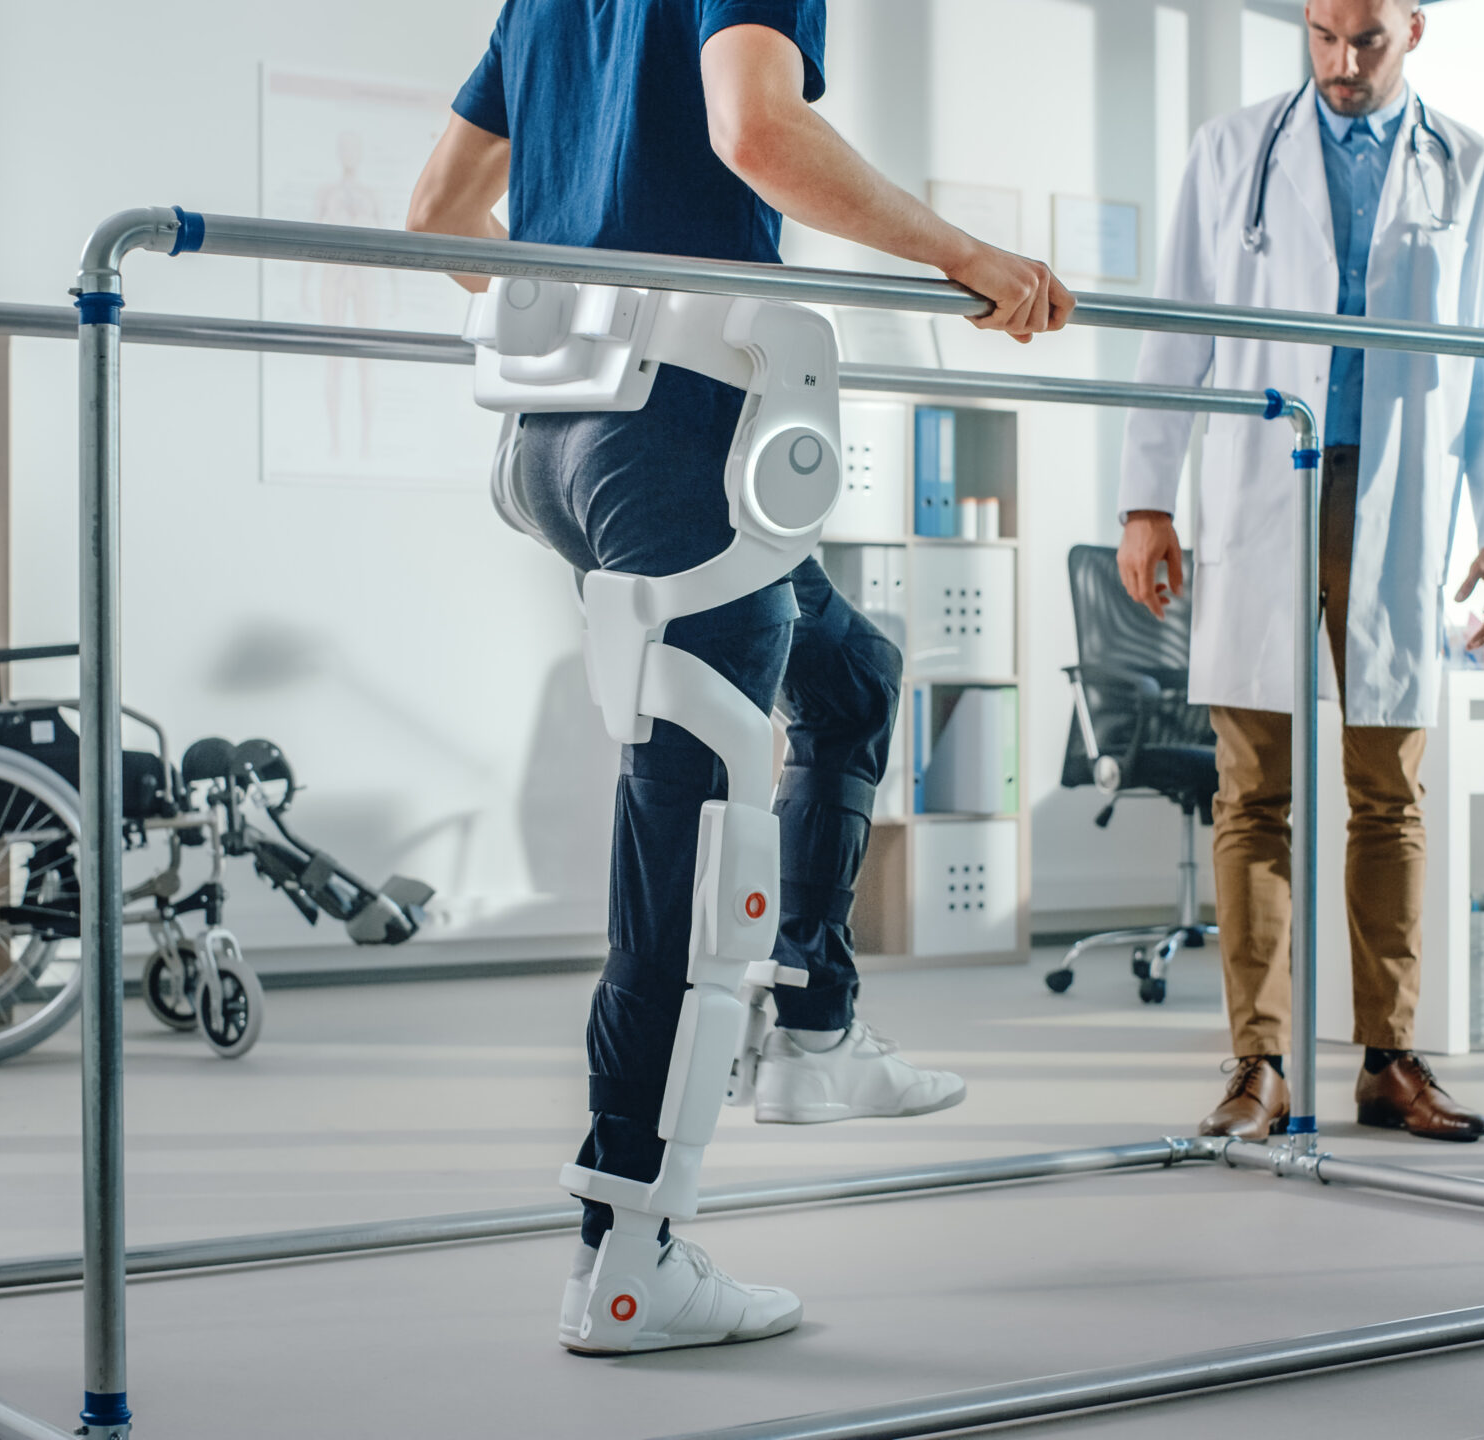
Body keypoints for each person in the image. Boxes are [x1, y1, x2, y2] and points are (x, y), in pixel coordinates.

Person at [405, 0, 1073, 1353]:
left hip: (562, 441)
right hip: (677, 433)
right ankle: (630, 1259)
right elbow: (758, 129)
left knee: (850, 676)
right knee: (692, 834)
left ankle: (817, 1030)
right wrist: (972, 259)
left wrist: (570, 300)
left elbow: (436, 218)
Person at [1117, 0, 1484, 1145]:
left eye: (1368, 42)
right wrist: (1146, 498)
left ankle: (1388, 1059)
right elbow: (1175, 327)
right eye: (1323, 37)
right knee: (1254, 794)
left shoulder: (1476, 171)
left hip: (1398, 499)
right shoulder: (1230, 151)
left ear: (1415, 26)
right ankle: (1259, 1064)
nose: (1343, 65)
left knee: (1386, 794)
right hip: (1260, 484)